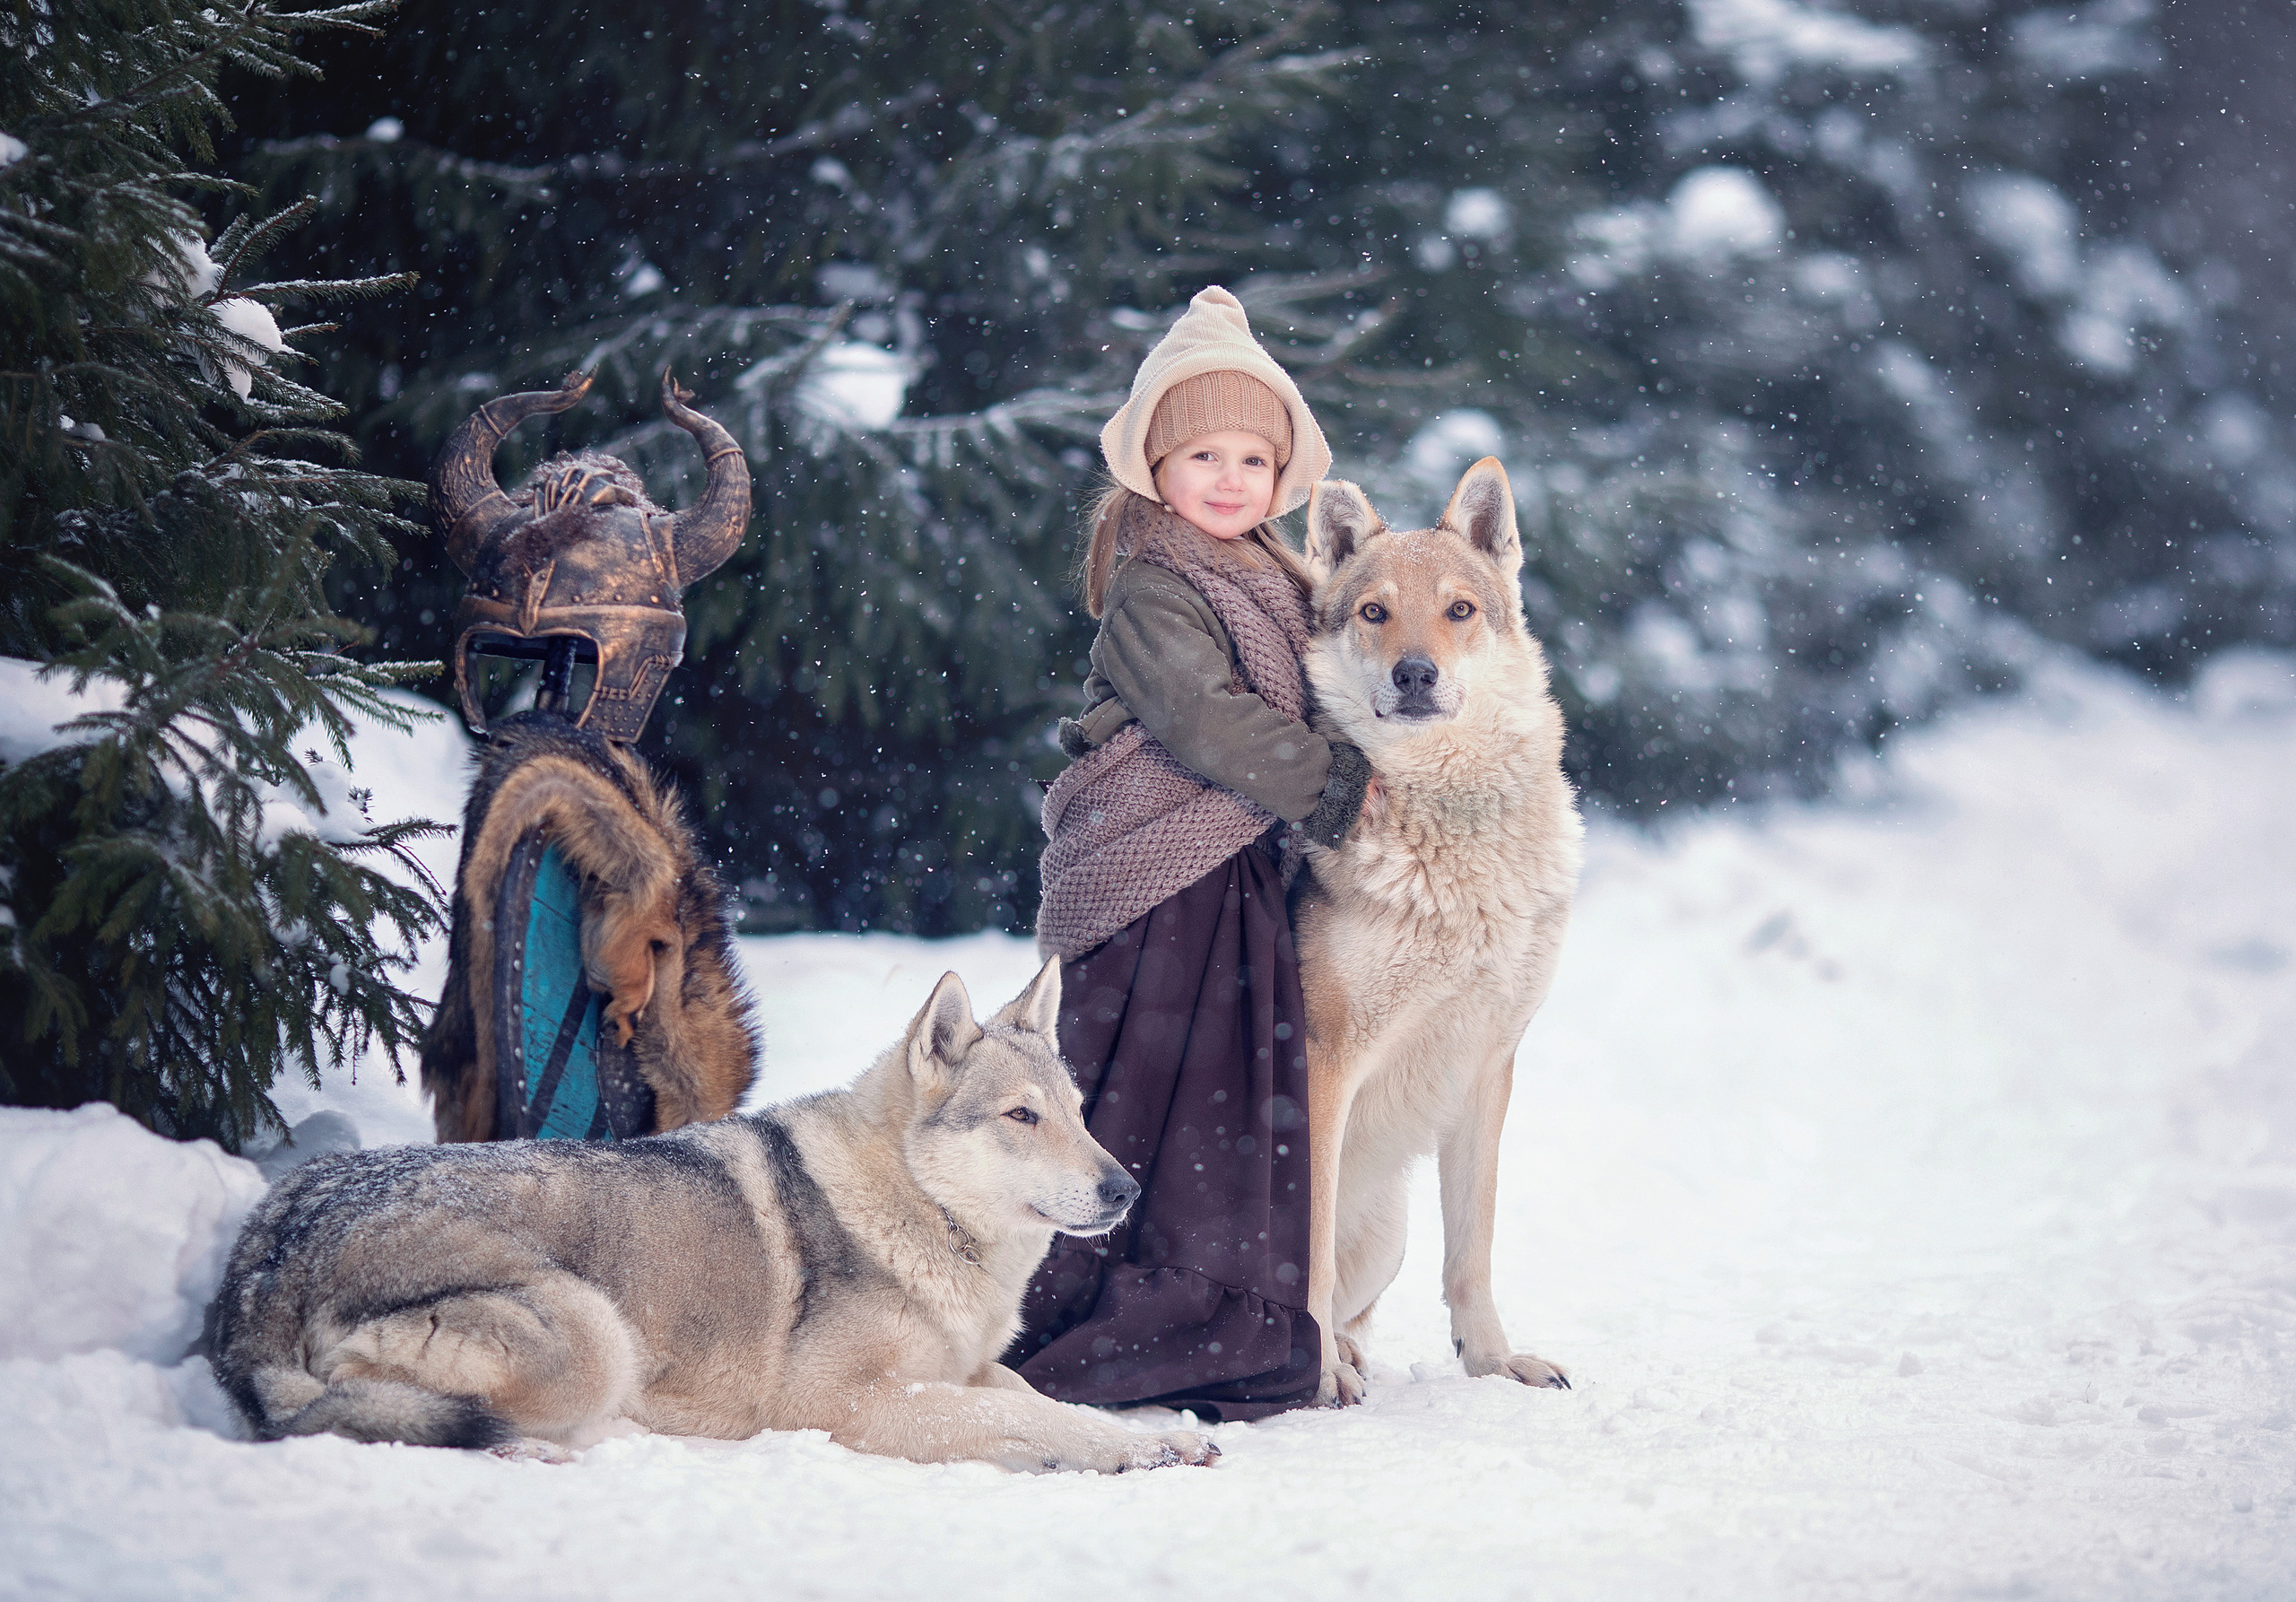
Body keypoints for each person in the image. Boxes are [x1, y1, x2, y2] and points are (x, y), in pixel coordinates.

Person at [1010, 285, 1370, 1419]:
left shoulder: (1281, 579)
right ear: (1154, 468)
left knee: (1226, 1107)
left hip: (1234, 882)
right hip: (1150, 875)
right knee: (1138, 1094)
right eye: (1201, 452)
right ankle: (1087, 1315)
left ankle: (1221, 1320)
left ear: (1280, 479)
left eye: (1252, 460)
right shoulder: (1154, 583)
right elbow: (1205, 720)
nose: (1227, 477)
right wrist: (1342, 787)